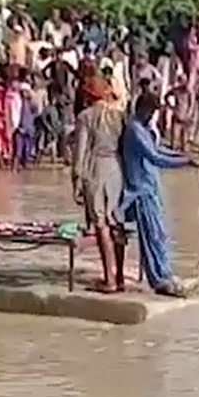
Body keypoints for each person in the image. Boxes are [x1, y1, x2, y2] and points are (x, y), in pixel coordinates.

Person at [118, 92, 197, 298]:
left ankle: (166, 273)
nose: (153, 115)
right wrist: (183, 163)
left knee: (160, 234)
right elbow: (154, 157)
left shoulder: (143, 128)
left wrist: (183, 156)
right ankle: (158, 280)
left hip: (151, 188)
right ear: (144, 109)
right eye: (152, 111)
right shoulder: (134, 130)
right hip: (140, 190)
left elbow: (158, 149)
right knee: (150, 236)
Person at [71, 77, 126, 293]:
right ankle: (120, 277)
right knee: (117, 221)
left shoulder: (85, 117)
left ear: (88, 95)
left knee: (101, 224)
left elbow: (80, 153)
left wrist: (76, 181)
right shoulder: (119, 116)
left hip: (95, 168)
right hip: (117, 168)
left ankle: (109, 280)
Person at [13, 78, 39, 171]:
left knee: (27, 149)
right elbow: (14, 114)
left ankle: (24, 164)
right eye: (23, 92)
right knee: (18, 150)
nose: (25, 94)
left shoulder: (32, 103)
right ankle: (15, 166)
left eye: (26, 92)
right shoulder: (17, 102)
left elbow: (36, 112)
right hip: (20, 129)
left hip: (29, 128)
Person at [164, 74, 193, 151]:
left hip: (185, 116)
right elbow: (166, 96)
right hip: (177, 114)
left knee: (184, 138)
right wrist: (170, 106)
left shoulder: (189, 92)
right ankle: (173, 152)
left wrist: (189, 113)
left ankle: (183, 153)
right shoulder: (176, 90)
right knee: (174, 136)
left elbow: (192, 104)